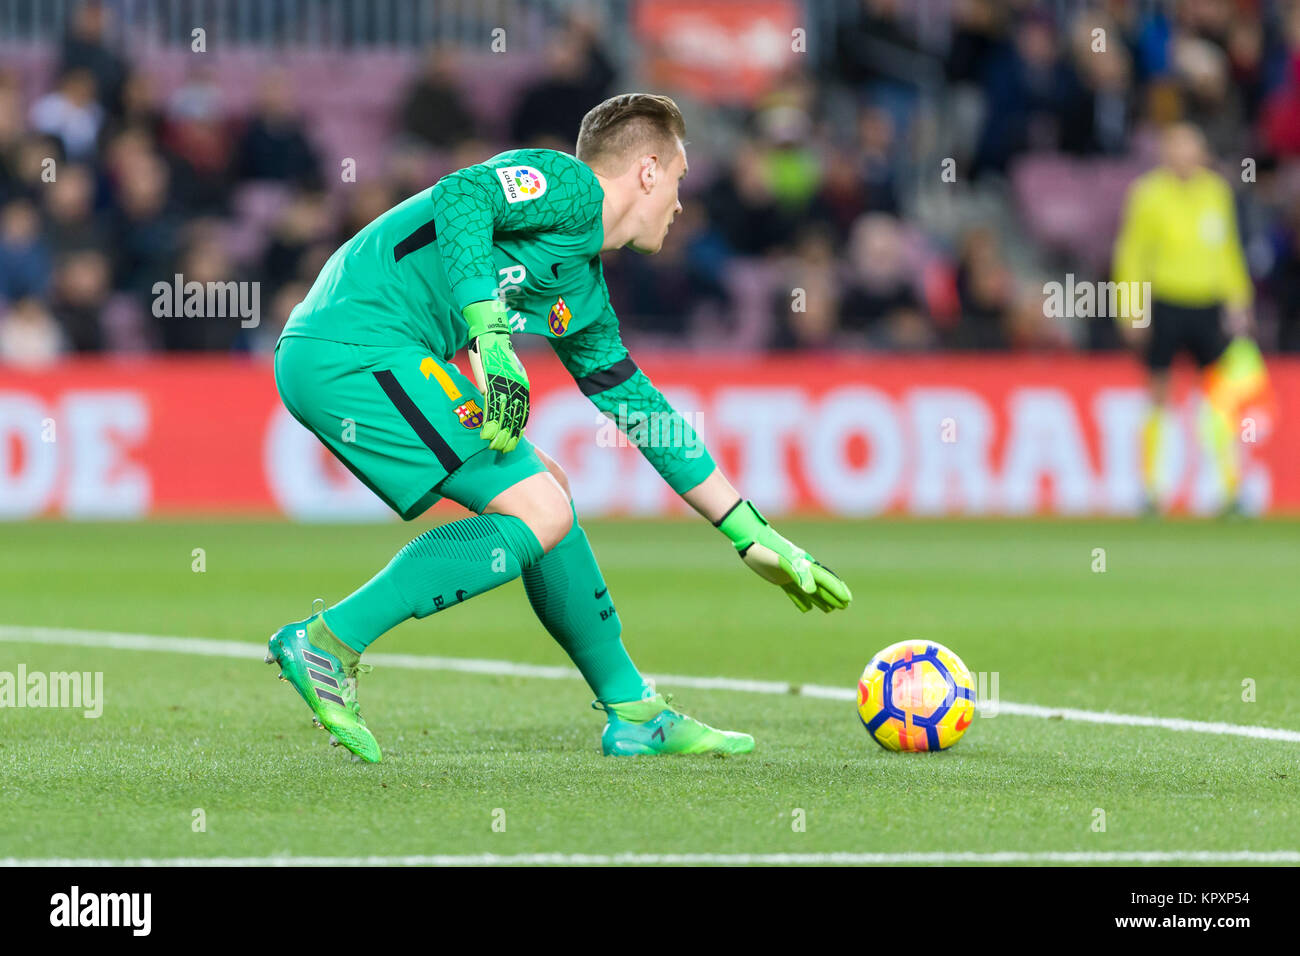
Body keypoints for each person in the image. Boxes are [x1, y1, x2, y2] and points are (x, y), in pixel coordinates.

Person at [267, 93, 851, 763]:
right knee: (538, 506)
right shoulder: (568, 187)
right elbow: (463, 195)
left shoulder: (582, 294)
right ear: (649, 170)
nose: (682, 204)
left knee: (550, 492)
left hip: (379, 354)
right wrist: (489, 336)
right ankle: (329, 643)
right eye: (681, 180)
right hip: (354, 344)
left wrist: (750, 533)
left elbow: (643, 410)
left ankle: (634, 712)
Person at [1112, 122, 1267, 514]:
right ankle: (1152, 490)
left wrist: (1239, 300)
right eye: (1177, 148)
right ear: (1165, 153)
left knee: (1218, 397)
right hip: (1166, 301)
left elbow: (1227, 250)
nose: (1184, 156)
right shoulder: (1147, 194)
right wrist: (1132, 309)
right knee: (1159, 392)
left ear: (1202, 153)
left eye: (1191, 148)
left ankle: (1229, 490)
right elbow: (1132, 255)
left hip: (1208, 305)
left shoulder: (1216, 192)